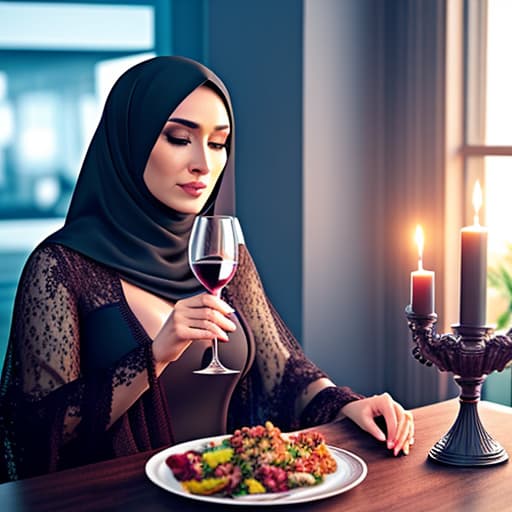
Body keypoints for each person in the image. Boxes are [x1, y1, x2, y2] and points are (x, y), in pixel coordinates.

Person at [0, 56, 413, 482]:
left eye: (218, 143)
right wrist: (156, 356)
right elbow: (35, 433)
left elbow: (283, 372)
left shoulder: (222, 250)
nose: (204, 163)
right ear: (130, 141)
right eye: (180, 138)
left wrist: (347, 404)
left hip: (222, 493)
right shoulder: (60, 267)